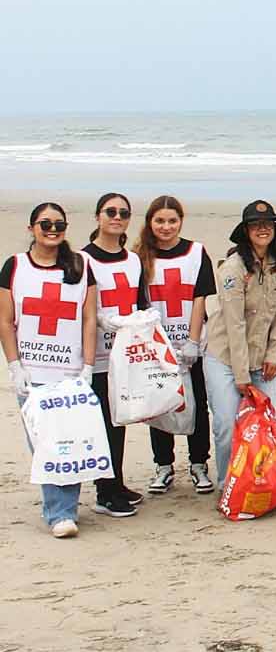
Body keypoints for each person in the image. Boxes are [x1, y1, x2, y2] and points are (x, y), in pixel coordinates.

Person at [0, 204, 97, 537]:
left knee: (70, 442)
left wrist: (87, 366)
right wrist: (14, 365)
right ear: (31, 228)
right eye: (45, 223)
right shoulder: (15, 266)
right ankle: (60, 511)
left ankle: (62, 512)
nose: (52, 229)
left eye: (59, 224)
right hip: (33, 373)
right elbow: (5, 321)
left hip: (70, 372)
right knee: (44, 445)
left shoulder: (80, 266)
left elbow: (88, 318)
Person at [205, 201, 276, 485]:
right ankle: (227, 484)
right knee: (227, 424)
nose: (262, 229)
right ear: (246, 231)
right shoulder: (232, 268)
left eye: (267, 224)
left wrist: (274, 357)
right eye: (255, 225)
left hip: (262, 357)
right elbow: (235, 325)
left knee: (270, 421)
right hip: (225, 357)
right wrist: (241, 375)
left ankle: (264, 483)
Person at [134, 195, 216, 495]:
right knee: (159, 404)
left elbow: (199, 297)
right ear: (150, 222)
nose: (166, 227)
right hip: (157, 346)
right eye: (160, 221)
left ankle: (198, 463)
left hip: (191, 344)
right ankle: (164, 465)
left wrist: (193, 341)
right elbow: (139, 303)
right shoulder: (139, 257)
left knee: (198, 403)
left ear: (181, 221)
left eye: (172, 220)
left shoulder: (196, 252)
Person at [82, 193, 150, 517]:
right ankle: (104, 492)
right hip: (95, 356)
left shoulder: (133, 260)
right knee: (102, 424)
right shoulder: (83, 260)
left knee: (119, 420)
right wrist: (100, 320)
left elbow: (140, 302)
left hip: (124, 355)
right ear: (98, 216)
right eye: (110, 212)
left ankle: (116, 482)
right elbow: (79, 307)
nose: (117, 217)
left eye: (124, 212)